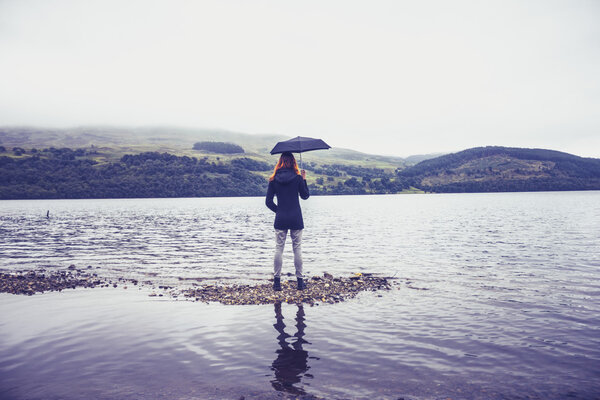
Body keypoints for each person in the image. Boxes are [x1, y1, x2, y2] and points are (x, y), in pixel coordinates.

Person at [265, 152, 310, 291]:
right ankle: (300, 282)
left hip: (281, 218)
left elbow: (268, 202)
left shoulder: (273, 179)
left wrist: (279, 211)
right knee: (297, 249)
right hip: (296, 217)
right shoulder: (297, 178)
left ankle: (277, 283)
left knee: (279, 248)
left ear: (280, 162)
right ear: (293, 162)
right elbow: (305, 196)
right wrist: (303, 179)